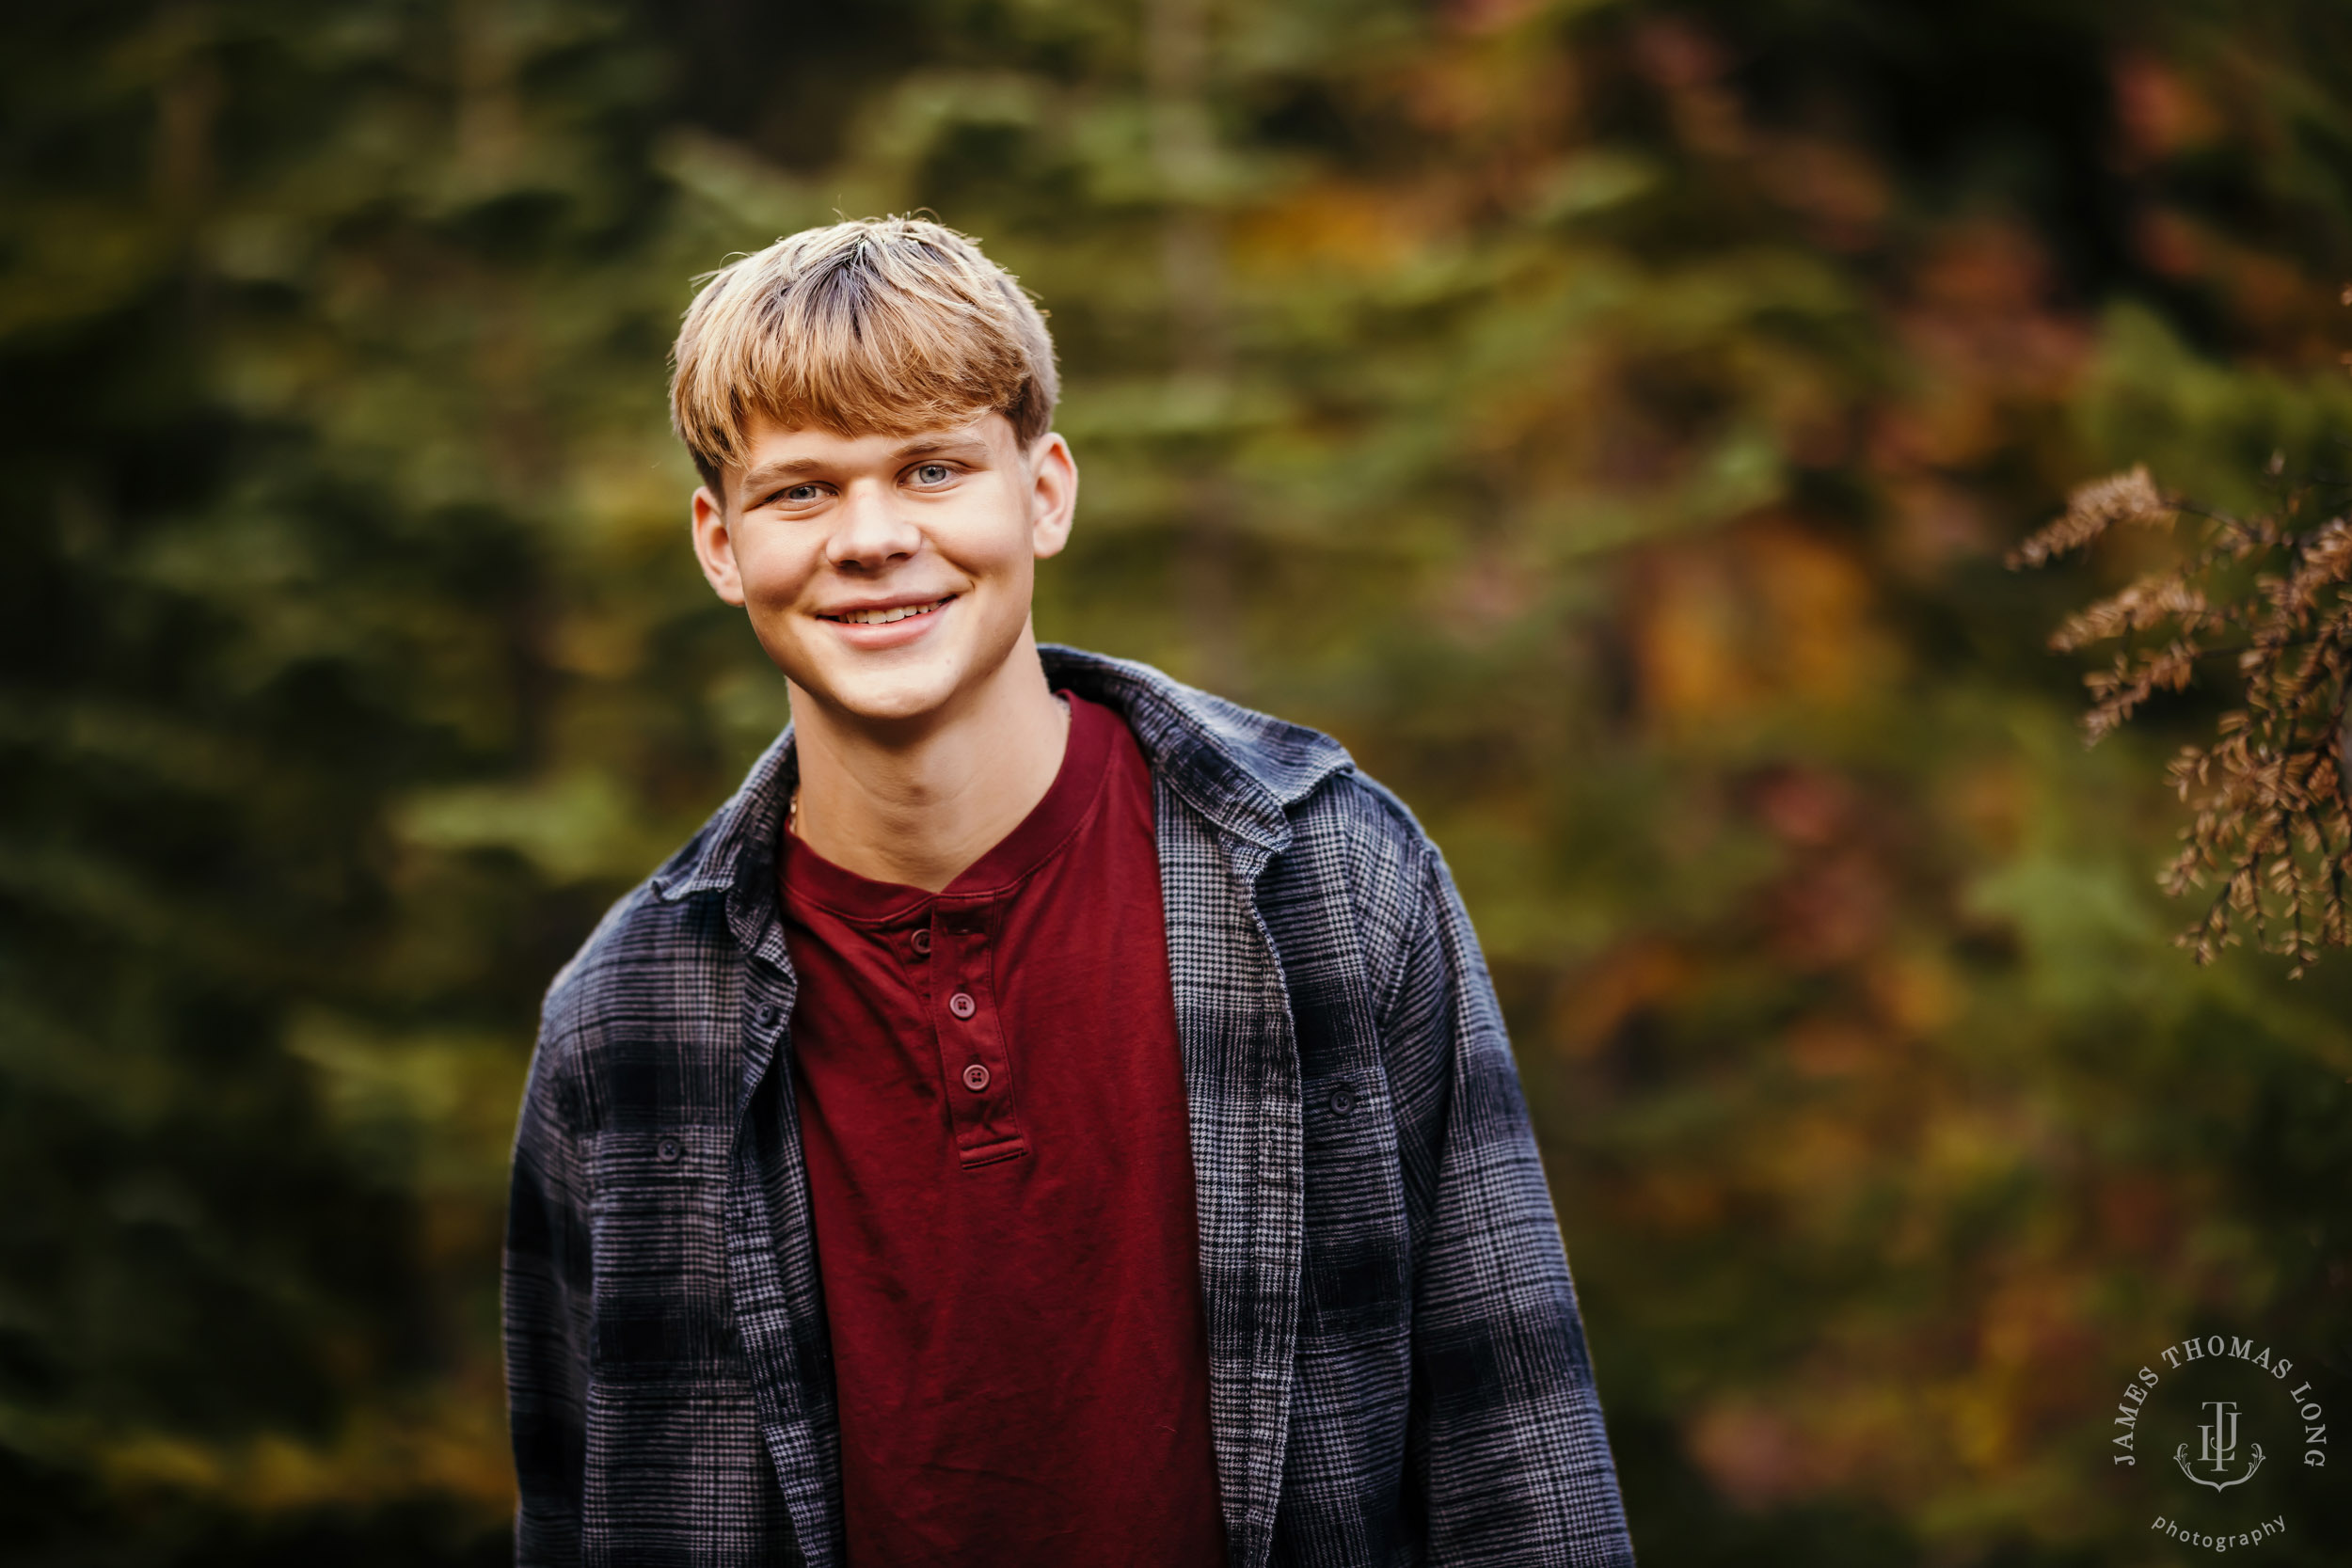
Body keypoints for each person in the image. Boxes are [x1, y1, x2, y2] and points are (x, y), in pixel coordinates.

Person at [502, 216, 1634, 1568]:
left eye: (931, 468)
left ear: (1043, 492)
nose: (872, 538)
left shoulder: (1328, 885)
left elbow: (1523, 1458)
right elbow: (579, 1518)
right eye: (802, 490)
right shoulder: (625, 1021)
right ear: (720, 542)